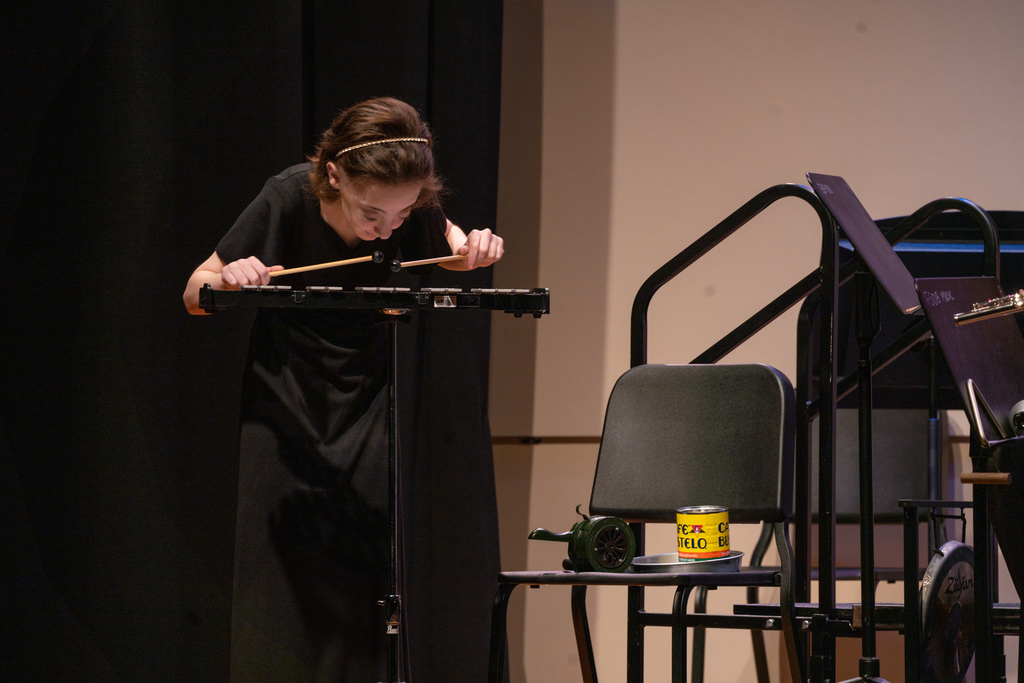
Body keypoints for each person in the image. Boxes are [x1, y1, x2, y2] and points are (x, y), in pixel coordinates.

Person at [182, 97, 503, 681]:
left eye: (401, 216)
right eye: (371, 213)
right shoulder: (287, 196)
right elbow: (193, 292)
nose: (385, 229)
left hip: (369, 405)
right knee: (280, 584)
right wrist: (231, 278)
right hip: (285, 404)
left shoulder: (410, 208)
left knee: (365, 583)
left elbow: (450, 250)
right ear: (333, 175)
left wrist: (473, 250)